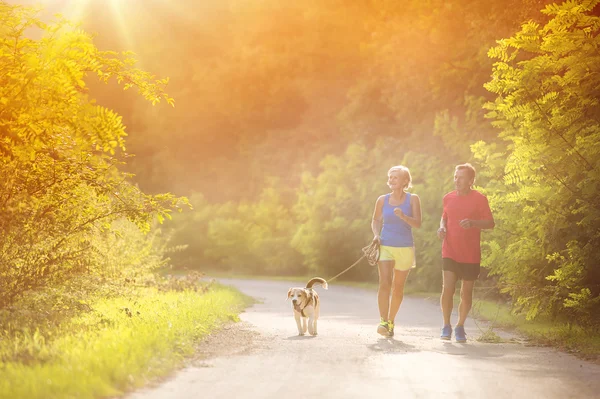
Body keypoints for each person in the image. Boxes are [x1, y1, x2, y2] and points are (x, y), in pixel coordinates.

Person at [437, 163, 495, 342]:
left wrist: (473, 222)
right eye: (455, 177)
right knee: (447, 289)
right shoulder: (448, 198)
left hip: (470, 253)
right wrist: (441, 228)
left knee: (466, 293)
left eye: (461, 177)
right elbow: (444, 217)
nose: (457, 180)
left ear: (470, 180)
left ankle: (460, 326)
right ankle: (446, 325)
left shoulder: (479, 199)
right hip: (450, 249)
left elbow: (490, 223)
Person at [371, 165, 422, 337]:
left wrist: (403, 217)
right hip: (385, 245)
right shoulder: (382, 200)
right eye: (390, 177)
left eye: (396, 177)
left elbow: (417, 224)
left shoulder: (413, 199)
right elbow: (376, 220)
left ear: (405, 181)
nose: (392, 180)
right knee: (384, 282)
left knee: (398, 288)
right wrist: (376, 235)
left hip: (405, 247)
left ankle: (391, 321)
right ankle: (383, 321)